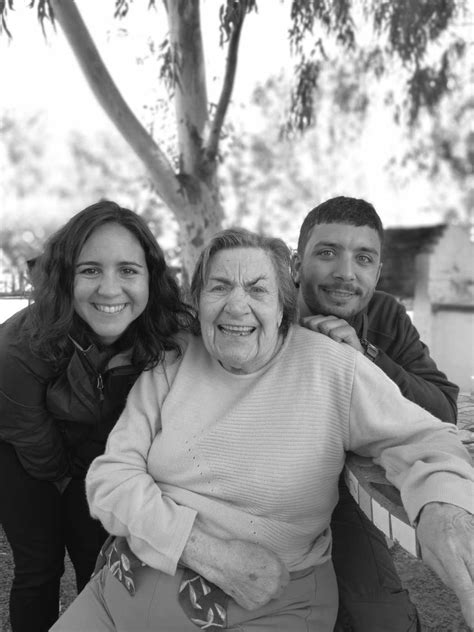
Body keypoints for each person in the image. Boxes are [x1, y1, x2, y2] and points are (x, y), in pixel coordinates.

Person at [51, 227, 473, 632]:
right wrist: (206, 551)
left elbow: (426, 436)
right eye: (219, 287)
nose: (237, 306)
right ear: (197, 302)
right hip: (115, 592)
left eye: (257, 289)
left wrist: (442, 505)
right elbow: (111, 478)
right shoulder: (174, 360)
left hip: (259, 609)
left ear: (282, 307)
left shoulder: (332, 368)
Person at [0, 200, 195, 632]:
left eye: (128, 270)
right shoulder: (17, 346)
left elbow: (236, 333)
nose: (110, 289)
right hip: (27, 457)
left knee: (102, 561)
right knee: (39, 566)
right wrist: (71, 486)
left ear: (150, 277)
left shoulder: (168, 330)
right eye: (90, 270)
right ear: (65, 277)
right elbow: (33, 440)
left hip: (99, 455)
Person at [292, 196, 460, 631]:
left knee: (381, 618)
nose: (346, 273)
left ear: (377, 271)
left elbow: (442, 409)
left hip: (346, 488)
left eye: (363, 258)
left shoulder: (385, 314)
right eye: (327, 253)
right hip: (269, 489)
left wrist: (365, 355)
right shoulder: (263, 311)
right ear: (296, 264)